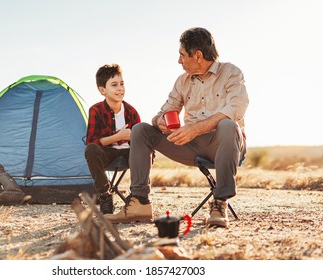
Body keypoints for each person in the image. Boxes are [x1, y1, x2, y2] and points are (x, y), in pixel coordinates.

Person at [105, 27, 249, 227]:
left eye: (182, 55)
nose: (178, 61)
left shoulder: (231, 73)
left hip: (224, 144)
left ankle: (219, 203)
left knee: (228, 124)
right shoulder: (182, 81)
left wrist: (196, 128)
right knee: (141, 130)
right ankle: (140, 202)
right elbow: (162, 112)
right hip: (190, 145)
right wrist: (160, 122)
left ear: (197, 55)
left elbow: (236, 108)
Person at [85, 64, 141, 214]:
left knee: (146, 150)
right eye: (114, 85)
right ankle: (105, 195)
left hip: (129, 154)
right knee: (90, 150)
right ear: (102, 90)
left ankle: (137, 195)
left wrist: (133, 138)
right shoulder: (96, 110)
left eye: (122, 84)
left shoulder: (131, 112)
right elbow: (92, 141)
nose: (120, 88)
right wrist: (118, 137)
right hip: (107, 154)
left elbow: (142, 140)